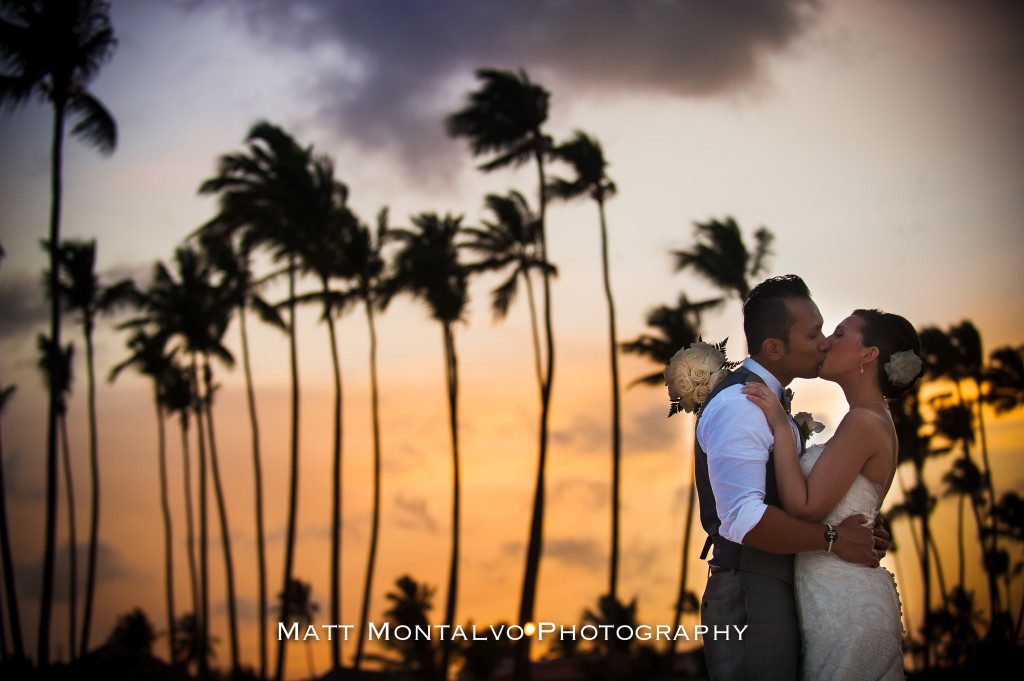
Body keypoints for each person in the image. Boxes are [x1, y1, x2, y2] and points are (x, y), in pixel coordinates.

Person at [694, 275, 889, 681]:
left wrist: (860, 524)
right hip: (749, 595)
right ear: (774, 348)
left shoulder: (770, 406)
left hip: (786, 590)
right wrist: (833, 539)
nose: (824, 342)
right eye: (814, 332)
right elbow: (742, 518)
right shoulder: (741, 405)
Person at [742, 308, 919, 680]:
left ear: (868, 354)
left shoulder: (863, 422)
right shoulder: (874, 419)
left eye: (839, 334)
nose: (826, 342)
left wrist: (780, 426)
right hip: (833, 597)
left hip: (845, 605)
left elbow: (804, 506)